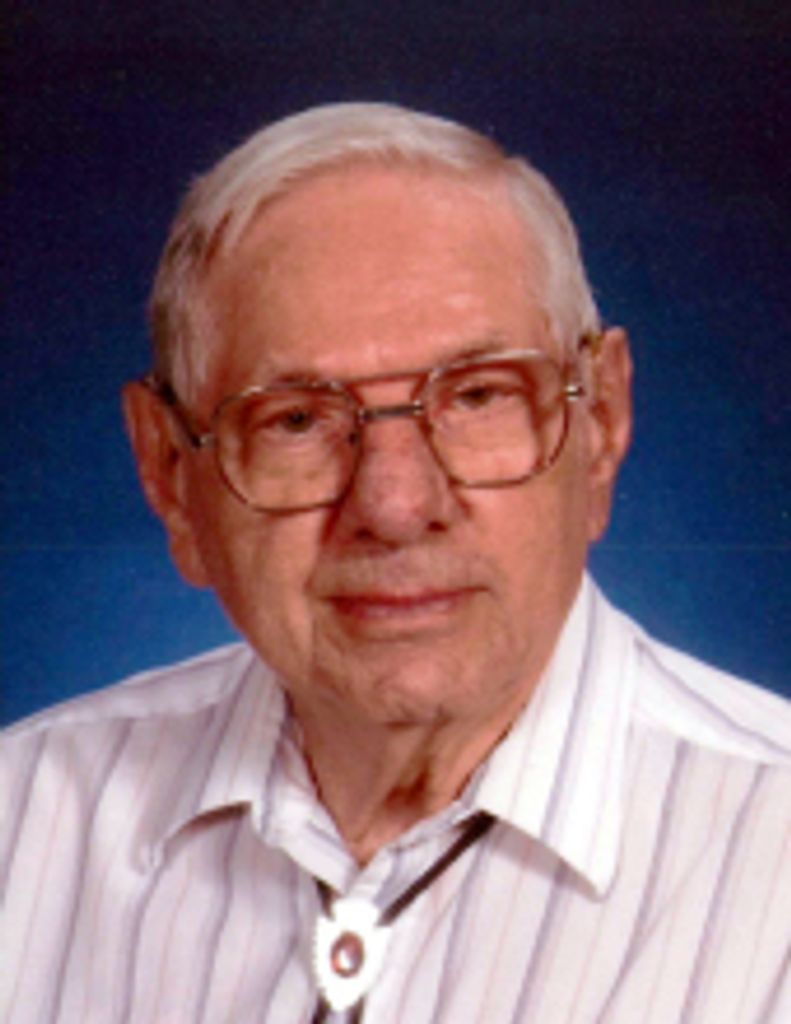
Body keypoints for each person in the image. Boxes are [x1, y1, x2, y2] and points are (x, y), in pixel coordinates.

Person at [1, 103, 788, 1024]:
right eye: (296, 419)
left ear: (601, 423)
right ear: (170, 473)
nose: (394, 506)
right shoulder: (20, 825)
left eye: (478, 396)